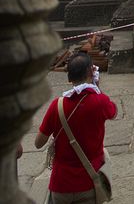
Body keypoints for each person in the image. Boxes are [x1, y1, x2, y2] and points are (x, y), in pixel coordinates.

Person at [35, 52, 117, 203]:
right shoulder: (100, 102)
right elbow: (113, 112)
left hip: (61, 185)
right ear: (90, 73)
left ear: (69, 77)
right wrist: (97, 88)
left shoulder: (57, 106)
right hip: (89, 182)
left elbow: (38, 143)